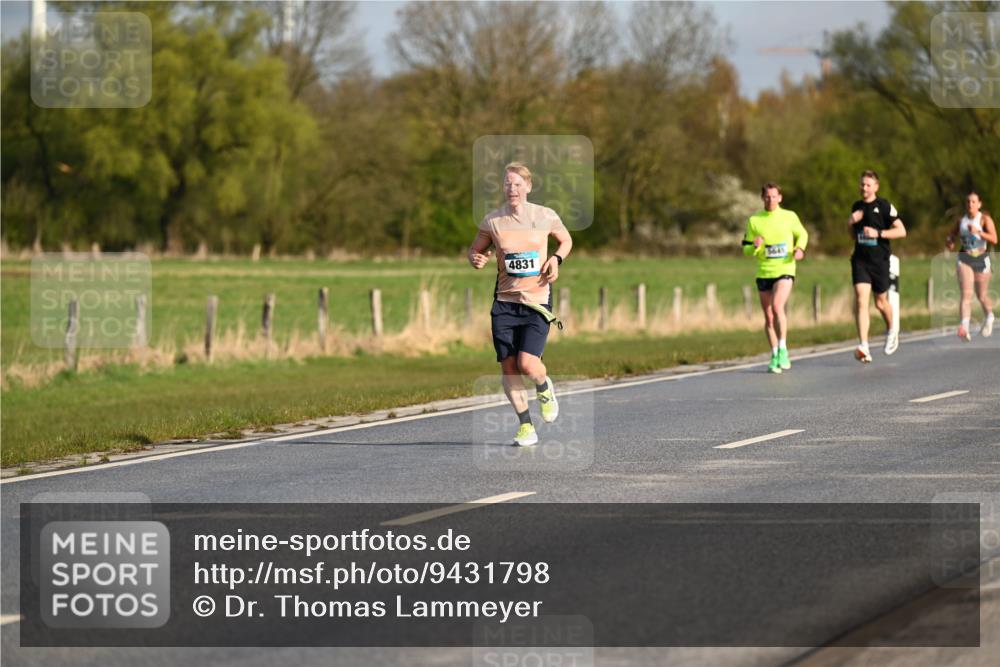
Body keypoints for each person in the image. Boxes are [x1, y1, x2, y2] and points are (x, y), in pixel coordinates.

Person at [468, 162, 573, 446]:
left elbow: (565, 240)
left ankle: (543, 385)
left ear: (528, 186)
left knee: (528, 364)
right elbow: (475, 250)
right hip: (504, 303)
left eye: (517, 184)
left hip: (536, 301)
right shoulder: (493, 221)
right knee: (509, 366)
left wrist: (556, 259)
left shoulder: (544, 215)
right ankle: (526, 425)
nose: (511, 189)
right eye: (507, 184)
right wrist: (476, 259)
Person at [742, 183, 809, 373]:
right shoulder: (755, 220)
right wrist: (755, 245)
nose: (770, 200)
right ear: (762, 198)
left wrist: (800, 249)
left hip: (785, 268)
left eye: (774, 196)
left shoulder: (789, 216)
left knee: (778, 306)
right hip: (764, 271)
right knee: (769, 317)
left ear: (780, 198)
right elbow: (746, 249)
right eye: (767, 197)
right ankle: (773, 354)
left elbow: (802, 233)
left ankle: (783, 349)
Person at [848, 170, 906, 363]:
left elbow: (902, 231)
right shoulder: (856, 207)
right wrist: (851, 222)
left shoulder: (884, 206)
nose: (864, 188)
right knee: (861, 300)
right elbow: (852, 235)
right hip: (860, 260)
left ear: (876, 187)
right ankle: (864, 345)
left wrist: (878, 233)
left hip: (880, 261)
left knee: (880, 302)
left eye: (868, 185)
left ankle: (892, 329)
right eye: (862, 184)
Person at [946, 191, 996, 340]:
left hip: (981, 258)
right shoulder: (961, 221)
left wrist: (979, 232)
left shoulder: (984, 220)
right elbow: (951, 235)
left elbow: (994, 239)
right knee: (966, 294)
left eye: (974, 202)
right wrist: (950, 241)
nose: (970, 204)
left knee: (981, 295)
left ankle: (989, 316)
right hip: (964, 258)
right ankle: (964, 327)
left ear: (979, 204)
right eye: (968, 202)